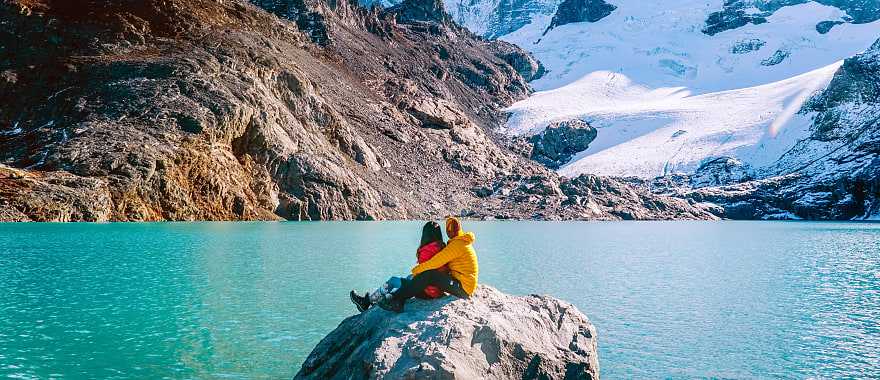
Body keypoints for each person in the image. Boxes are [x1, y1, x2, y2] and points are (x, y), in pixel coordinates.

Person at [384, 217, 479, 313]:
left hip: (463, 288)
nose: (450, 231)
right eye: (449, 229)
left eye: (453, 228)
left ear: (459, 228)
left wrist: (416, 270)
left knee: (430, 275)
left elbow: (434, 263)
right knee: (426, 276)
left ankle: (396, 298)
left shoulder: (457, 245)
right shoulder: (460, 242)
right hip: (463, 283)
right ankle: (398, 299)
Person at [349, 221, 448, 312]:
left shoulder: (427, 251)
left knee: (393, 281)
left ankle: (367, 302)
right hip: (439, 288)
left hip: (428, 292)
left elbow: (422, 273)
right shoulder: (442, 247)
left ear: (425, 234)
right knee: (409, 277)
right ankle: (380, 299)